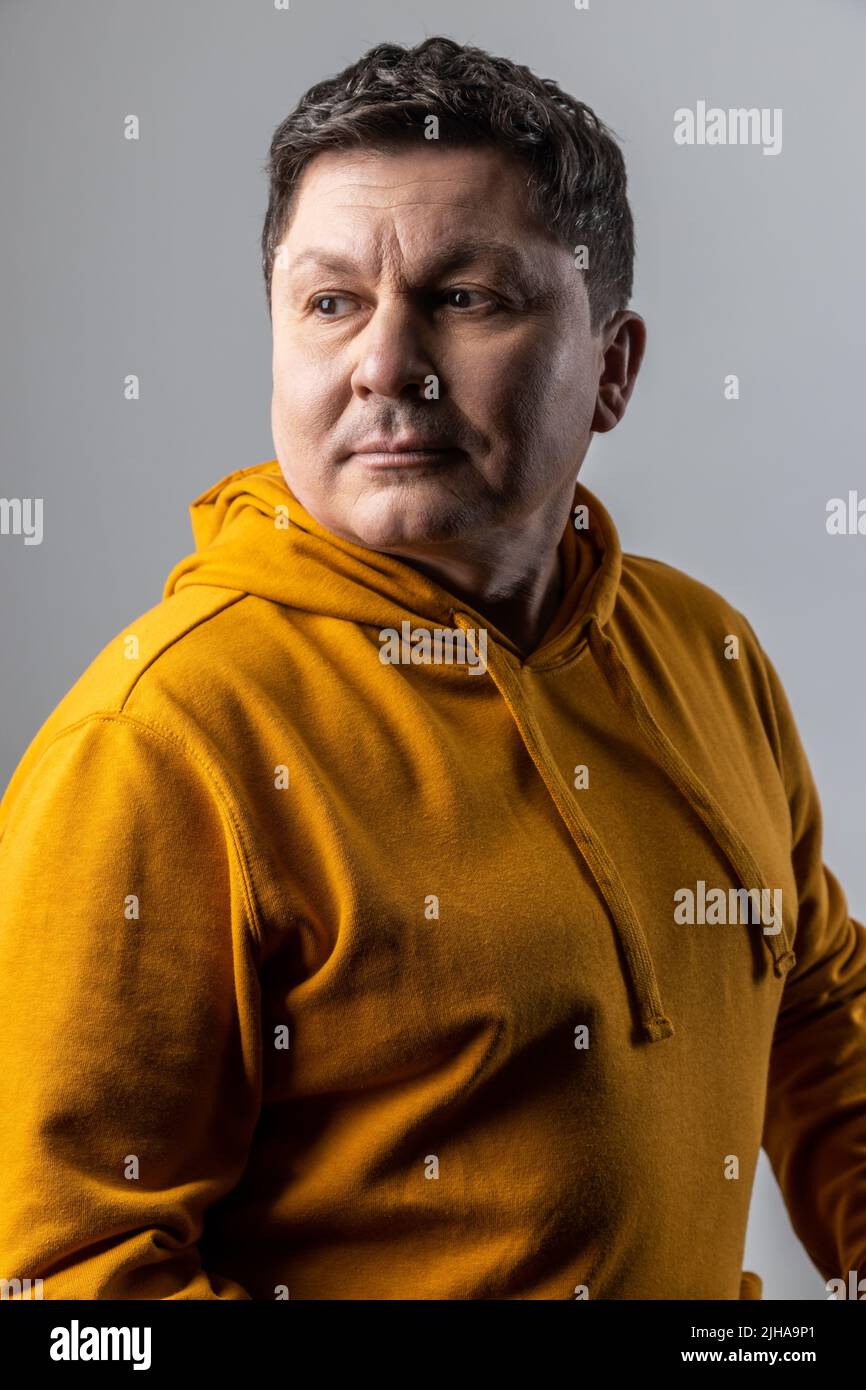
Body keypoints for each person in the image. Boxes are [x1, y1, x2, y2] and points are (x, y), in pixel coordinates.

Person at [1, 34, 863, 1302]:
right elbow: (66, 1286)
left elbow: (816, 1018)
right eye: (331, 300)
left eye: (464, 299)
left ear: (611, 369)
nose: (383, 365)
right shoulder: (158, 740)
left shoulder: (704, 651)